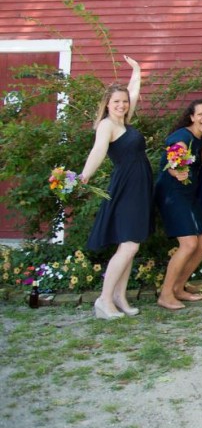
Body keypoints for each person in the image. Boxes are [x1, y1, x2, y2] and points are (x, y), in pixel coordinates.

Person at [80, 55, 152, 319]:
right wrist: (84, 176)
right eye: (116, 102)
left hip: (140, 186)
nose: (121, 105)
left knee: (130, 243)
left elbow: (133, 90)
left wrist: (137, 70)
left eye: (124, 102)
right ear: (107, 105)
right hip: (126, 188)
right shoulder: (107, 126)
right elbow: (98, 152)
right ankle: (103, 299)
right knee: (130, 245)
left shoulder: (124, 121)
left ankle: (120, 297)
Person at [154, 98, 202, 310]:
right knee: (189, 243)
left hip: (189, 195)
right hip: (173, 195)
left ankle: (179, 288)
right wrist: (177, 171)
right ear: (191, 116)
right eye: (200, 114)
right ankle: (165, 294)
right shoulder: (182, 137)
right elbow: (173, 160)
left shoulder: (200, 138)